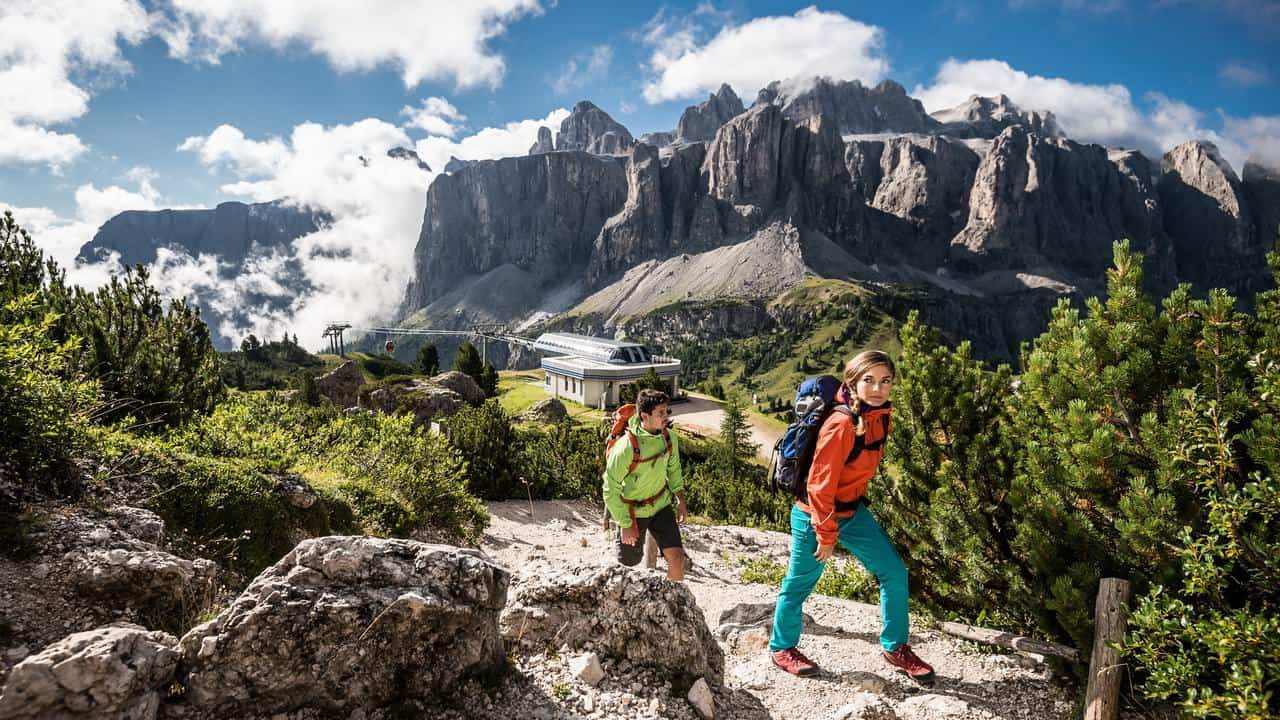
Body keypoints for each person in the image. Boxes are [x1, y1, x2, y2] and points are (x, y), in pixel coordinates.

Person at [769, 351, 936, 682]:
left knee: (893, 572)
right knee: (799, 584)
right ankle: (781, 647)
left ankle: (895, 646)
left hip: (851, 510)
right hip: (814, 514)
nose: (877, 389)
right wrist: (826, 534)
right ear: (853, 382)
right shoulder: (841, 424)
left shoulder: (880, 415)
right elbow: (819, 486)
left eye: (885, 381)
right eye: (868, 380)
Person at [603, 389, 688, 581]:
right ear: (644, 416)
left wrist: (680, 499)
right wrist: (625, 524)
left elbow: (674, 470)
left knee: (677, 558)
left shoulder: (669, 438)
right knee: (628, 566)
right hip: (633, 512)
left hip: (661, 505)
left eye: (667, 411)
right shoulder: (625, 447)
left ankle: (675, 598)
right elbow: (610, 489)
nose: (666, 416)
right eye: (660, 413)